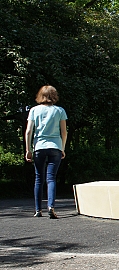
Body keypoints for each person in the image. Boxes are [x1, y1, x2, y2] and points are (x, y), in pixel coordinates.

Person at [25, 85, 67, 219]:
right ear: (54, 96)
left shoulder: (34, 110)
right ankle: (51, 206)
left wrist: (28, 149)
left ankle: (38, 210)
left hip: (39, 147)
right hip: (55, 146)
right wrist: (62, 148)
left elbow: (28, 131)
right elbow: (64, 132)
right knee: (51, 178)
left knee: (39, 178)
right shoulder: (59, 110)